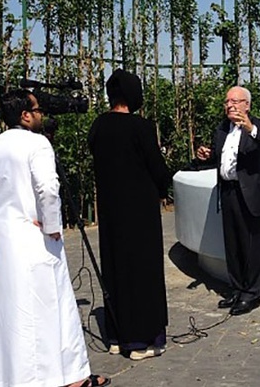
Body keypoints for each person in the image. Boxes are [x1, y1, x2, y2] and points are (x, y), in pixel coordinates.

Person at [0, 89, 110, 387]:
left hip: (4, 240)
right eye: (38, 109)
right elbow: (47, 188)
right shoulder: (37, 143)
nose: (42, 114)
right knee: (52, 306)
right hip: (34, 237)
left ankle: (13, 378)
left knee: (10, 311)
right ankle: (67, 377)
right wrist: (52, 224)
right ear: (25, 115)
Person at [88, 69, 171, 360]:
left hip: (111, 212)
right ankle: (142, 340)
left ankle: (116, 336)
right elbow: (157, 169)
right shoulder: (140, 127)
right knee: (142, 273)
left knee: (115, 269)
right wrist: (164, 185)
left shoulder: (98, 126)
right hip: (140, 213)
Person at [196, 85, 260, 316]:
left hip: (251, 194)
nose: (229, 105)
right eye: (227, 102)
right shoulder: (222, 129)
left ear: (247, 105)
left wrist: (250, 128)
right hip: (229, 191)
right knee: (232, 244)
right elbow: (221, 157)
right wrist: (207, 155)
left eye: (235, 101)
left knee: (251, 245)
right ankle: (236, 288)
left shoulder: (259, 126)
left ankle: (252, 294)